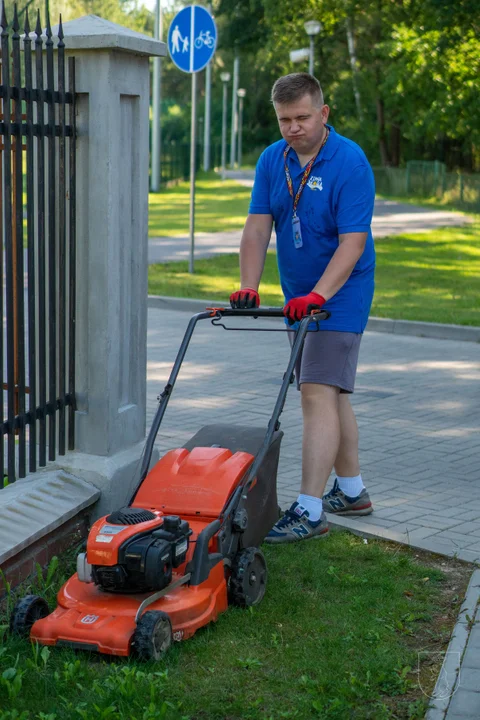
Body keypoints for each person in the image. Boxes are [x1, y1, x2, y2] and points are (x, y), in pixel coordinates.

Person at [229, 72, 375, 544]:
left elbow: (353, 243)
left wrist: (320, 296)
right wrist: (249, 286)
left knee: (314, 390)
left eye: (302, 118)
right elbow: (257, 227)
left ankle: (310, 508)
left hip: (341, 291)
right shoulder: (273, 160)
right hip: (298, 295)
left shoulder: (350, 162)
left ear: (324, 113)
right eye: (284, 120)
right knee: (332, 393)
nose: (293, 128)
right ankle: (351, 491)